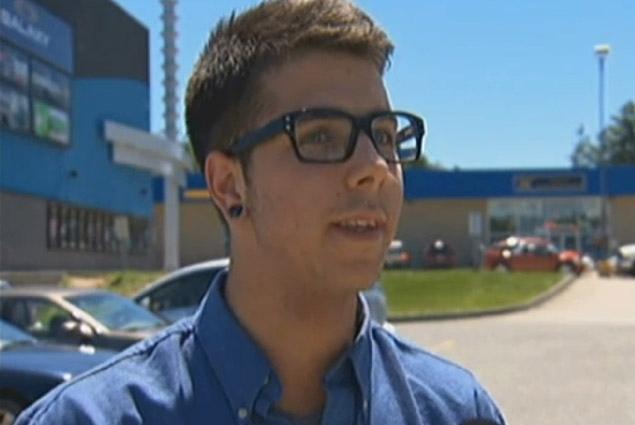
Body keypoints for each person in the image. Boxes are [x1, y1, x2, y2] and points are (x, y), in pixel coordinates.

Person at [16, 1, 506, 424]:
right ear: (229, 185)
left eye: (383, 135)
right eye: (320, 135)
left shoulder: (456, 411)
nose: (375, 168)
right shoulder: (90, 417)